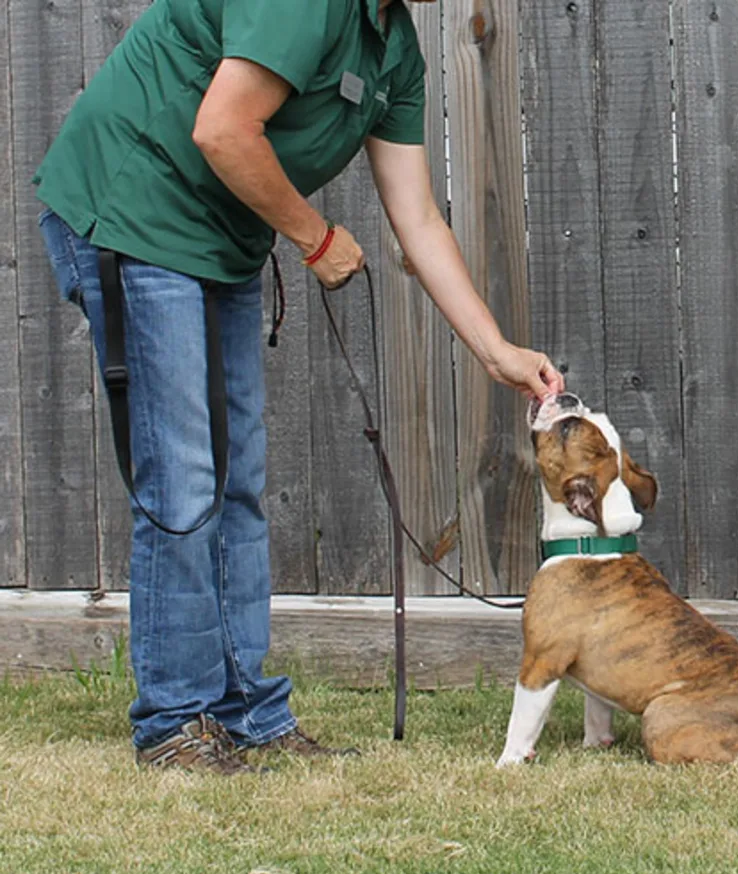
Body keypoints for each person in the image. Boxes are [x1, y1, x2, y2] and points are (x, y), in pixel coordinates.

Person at [35, 0, 564, 773]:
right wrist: (314, 239)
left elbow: (416, 214)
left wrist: (496, 352)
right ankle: (175, 720)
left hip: (221, 239)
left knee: (239, 482)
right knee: (184, 481)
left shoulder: (395, 52)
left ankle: (246, 711)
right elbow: (222, 129)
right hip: (132, 212)